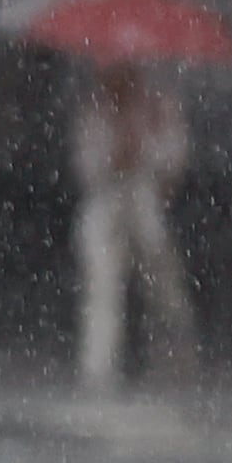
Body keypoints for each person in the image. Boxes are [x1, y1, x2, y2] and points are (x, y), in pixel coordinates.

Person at [72, 60, 196, 393]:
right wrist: (115, 154)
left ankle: (174, 359)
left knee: (164, 288)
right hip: (106, 205)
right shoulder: (95, 112)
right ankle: (99, 369)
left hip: (145, 203)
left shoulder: (159, 107)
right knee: (103, 289)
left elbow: (175, 160)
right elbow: (86, 167)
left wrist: (146, 150)